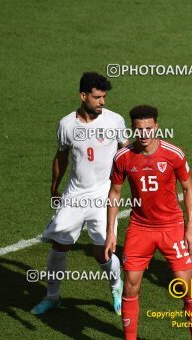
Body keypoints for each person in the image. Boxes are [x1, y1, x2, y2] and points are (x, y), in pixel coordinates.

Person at [31, 72, 127, 315]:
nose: (102, 102)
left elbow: (126, 155)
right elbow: (61, 157)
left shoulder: (114, 121)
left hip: (103, 197)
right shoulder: (67, 125)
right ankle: (53, 297)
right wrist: (54, 187)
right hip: (74, 196)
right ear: (83, 96)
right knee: (58, 246)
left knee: (102, 252)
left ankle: (117, 289)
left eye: (104, 97)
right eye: (97, 97)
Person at [104, 105, 192, 340]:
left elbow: (188, 189)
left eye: (149, 128)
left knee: (185, 286)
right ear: (133, 129)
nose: (144, 134)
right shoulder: (123, 157)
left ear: (156, 127)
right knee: (130, 286)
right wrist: (111, 232)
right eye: (139, 130)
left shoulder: (173, 154)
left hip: (171, 226)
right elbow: (114, 194)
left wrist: (191, 227)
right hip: (140, 228)